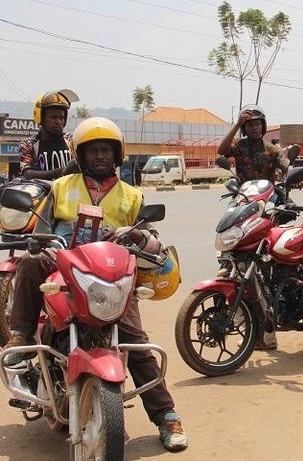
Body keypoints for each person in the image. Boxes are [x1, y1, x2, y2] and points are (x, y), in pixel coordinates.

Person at [2, 117, 188, 451]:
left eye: (106, 150)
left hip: (113, 279)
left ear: (116, 155)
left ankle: (168, 417)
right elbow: (38, 223)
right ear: (82, 155)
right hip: (67, 268)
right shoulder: (61, 187)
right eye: (93, 151)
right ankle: (20, 337)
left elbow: (153, 240)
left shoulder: (131, 195)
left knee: (137, 345)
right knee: (30, 263)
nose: (100, 156)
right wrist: (35, 239)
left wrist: (137, 235)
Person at [19, 89, 80, 180]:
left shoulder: (72, 141)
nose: (58, 122)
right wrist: (63, 171)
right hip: (42, 192)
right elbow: (28, 174)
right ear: (41, 117)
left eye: (62, 118)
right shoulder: (28, 145)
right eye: (53, 117)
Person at [218, 104, 285, 184]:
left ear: (262, 126)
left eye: (257, 124)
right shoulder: (238, 145)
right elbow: (221, 150)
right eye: (250, 125)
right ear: (244, 128)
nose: (254, 128)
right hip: (244, 193)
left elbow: (285, 165)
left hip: (267, 194)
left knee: (282, 196)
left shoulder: (272, 149)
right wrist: (238, 125)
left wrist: (294, 179)